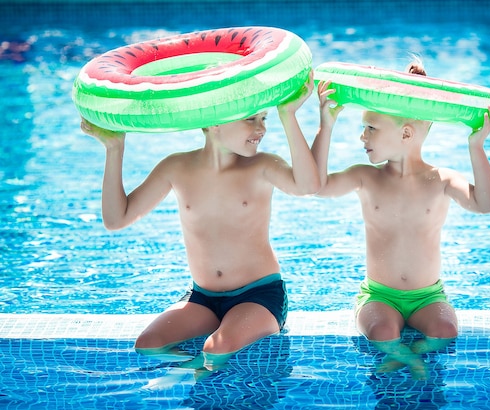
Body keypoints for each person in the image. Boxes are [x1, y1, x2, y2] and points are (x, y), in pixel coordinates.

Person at [81, 73, 320, 370]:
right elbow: (116, 219)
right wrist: (114, 149)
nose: (261, 128)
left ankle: (196, 370)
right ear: (213, 121)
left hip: (259, 295)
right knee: (148, 345)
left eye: (264, 118)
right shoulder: (176, 167)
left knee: (216, 348)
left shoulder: (262, 166)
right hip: (203, 296)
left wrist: (288, 115)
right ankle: (199, 369)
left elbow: (308, 186)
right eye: (251, 119)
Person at [312, 60, 490, 378]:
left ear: (406, 133)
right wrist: (325, 125)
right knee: (381, 332)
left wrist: (476, 145)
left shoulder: (441, 179)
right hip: (379, 295)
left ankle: (404, 355)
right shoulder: (365, 177)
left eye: (371, 128)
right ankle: (411, 360)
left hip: (428, 296)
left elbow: (487, 204)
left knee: (445, 330)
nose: (362, 137)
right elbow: (316, 187)